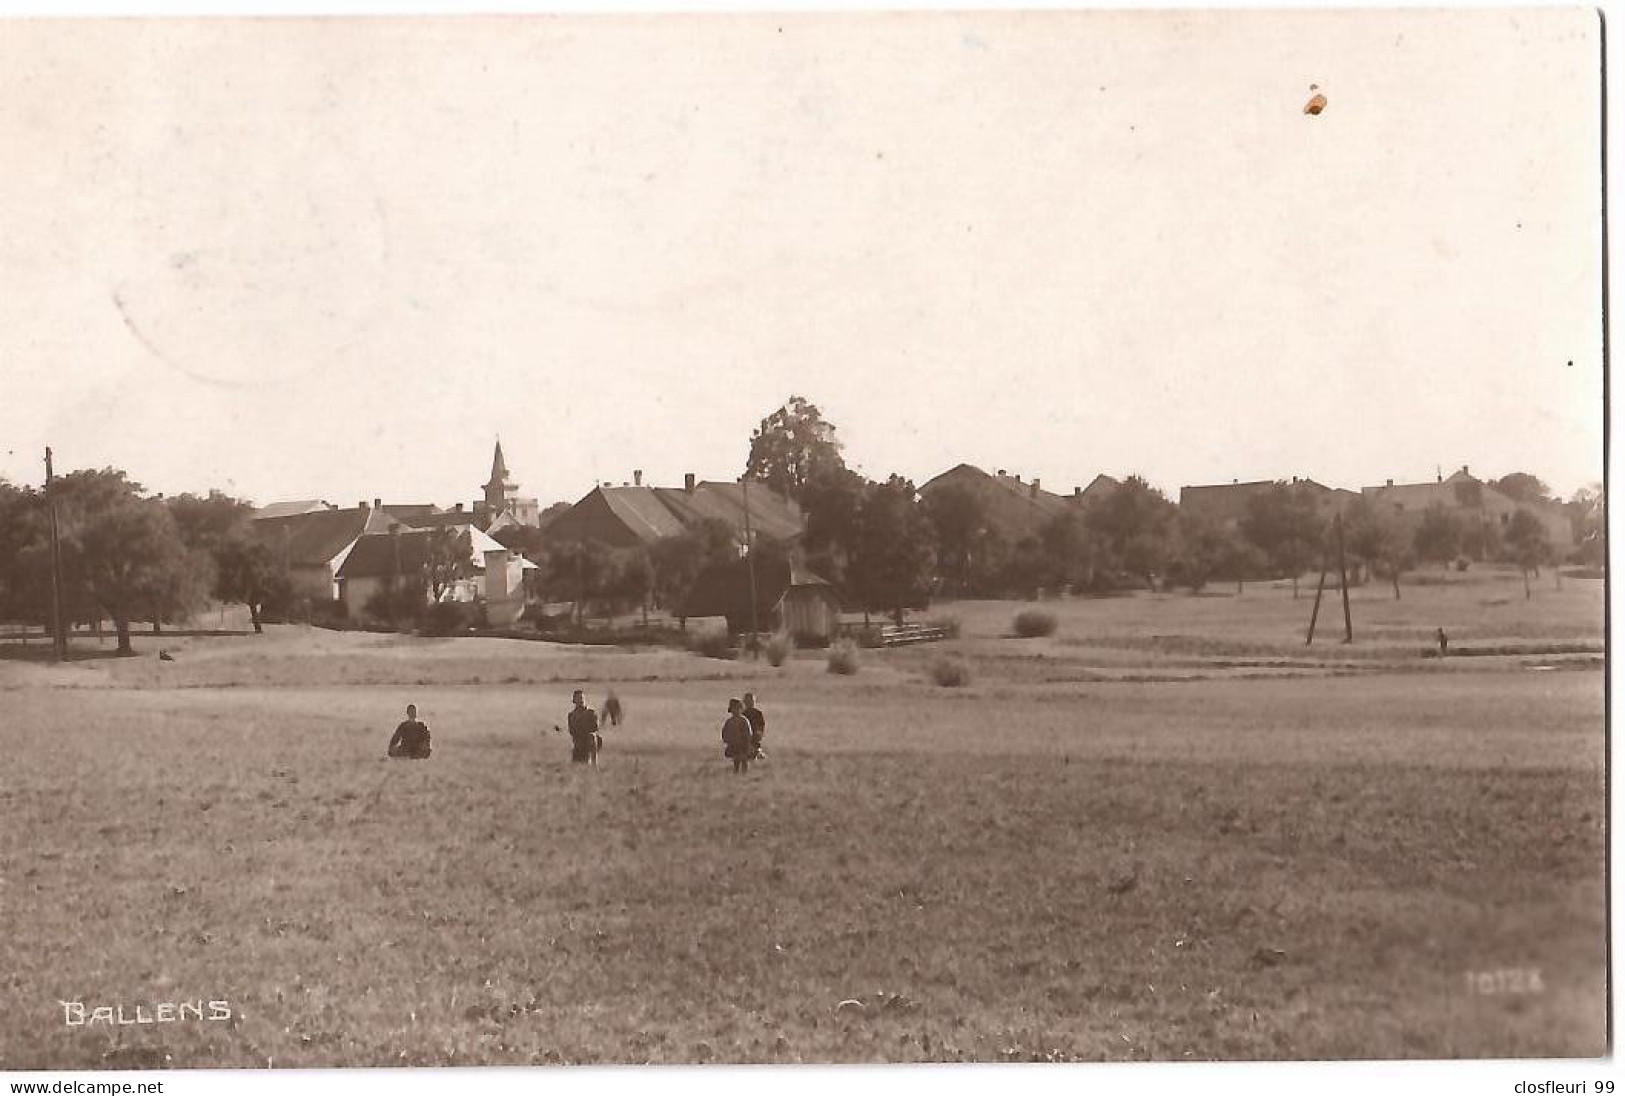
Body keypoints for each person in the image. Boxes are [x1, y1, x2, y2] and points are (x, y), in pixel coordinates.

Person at [566, 689, 601, 765]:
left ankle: (594, 764)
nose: (581, 700)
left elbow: (595, 727)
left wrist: (584, 730)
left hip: (589, 740)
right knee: (578, 765)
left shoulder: (591, 712)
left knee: (592, 736)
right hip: (578, 741)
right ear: (574, 701)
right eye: (578, 698)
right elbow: (572, 731)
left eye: (582, 698)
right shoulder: (571, 715)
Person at [722, 698, 754, 775]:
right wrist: (727, 740)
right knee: (736, 761)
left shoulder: (744, 720)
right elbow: (724, 732)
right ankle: (736, 773)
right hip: (733, 744)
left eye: (737, 708)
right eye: (733, 709)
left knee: (744, 760)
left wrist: (748, 742)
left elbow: (748, 733)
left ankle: (744, 774)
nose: (735, 711)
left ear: (740, 709)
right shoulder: (729, 721)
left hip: (743, 744)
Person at [742, 692, 766, 761]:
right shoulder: (742, 714)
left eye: (752, 701)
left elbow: (762, 725)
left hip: (755, 735)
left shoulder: (758, 713)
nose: (750, 703)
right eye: (748, 702)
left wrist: (759, 733)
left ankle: (756, 752)